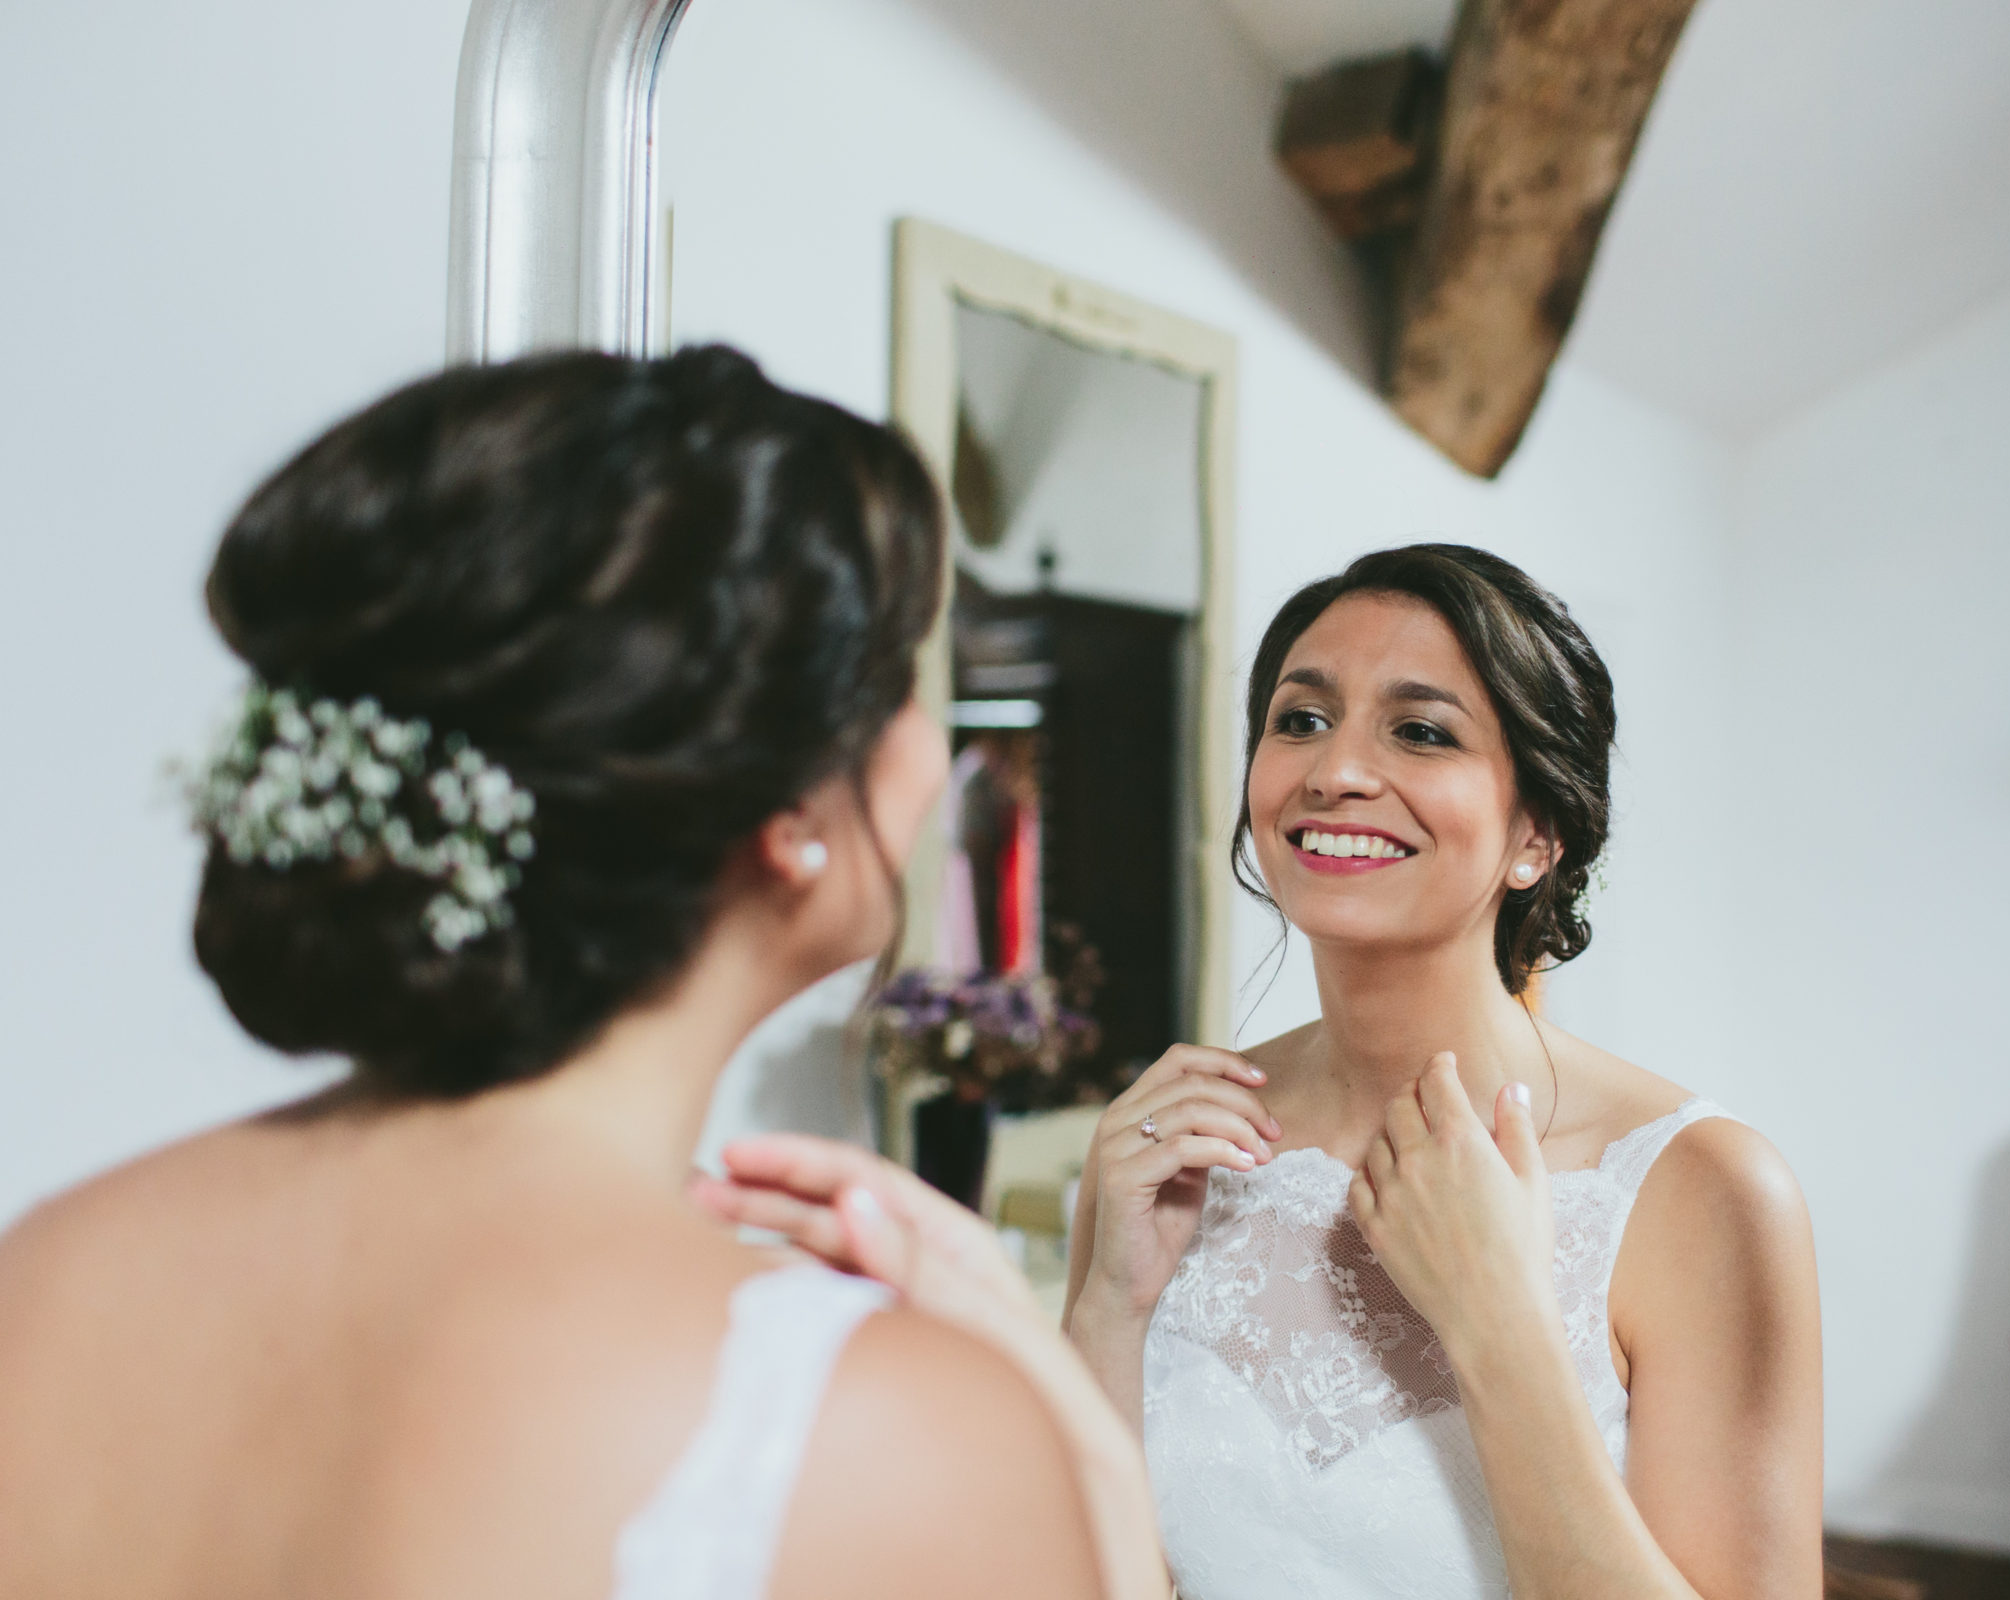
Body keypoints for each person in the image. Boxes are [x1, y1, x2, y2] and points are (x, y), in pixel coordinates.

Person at [0, 347, 1164, 1600]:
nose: (930, 747)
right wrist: (1072, 1439)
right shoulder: (872, 1430)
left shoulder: (53, 1272)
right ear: (789, 812)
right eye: (900, 680)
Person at [1066, 546, 1826, 1598]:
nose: (1333, 769)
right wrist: (1104, 1309)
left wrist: (1497, 1324)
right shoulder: (1173, 1145)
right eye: (1299, 719)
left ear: (1537, 832)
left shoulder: (1704, 1190)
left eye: (1419, 730)